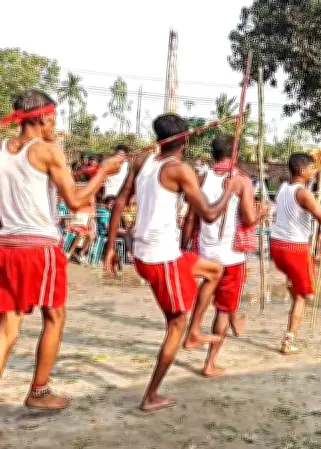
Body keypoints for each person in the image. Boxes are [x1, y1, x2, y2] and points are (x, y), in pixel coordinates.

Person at [0, 89, 123, 410]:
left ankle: (37, 391)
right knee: (54, 316)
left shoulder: (2, 149)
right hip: (37, 247)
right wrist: (104, 172)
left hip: (6, 245)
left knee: (7, 328)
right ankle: (39, 391)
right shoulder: (48, 150)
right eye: (54, 118)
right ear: (42, 117)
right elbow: (77, 200)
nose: (55, 125)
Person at [104, 114, 235, 412]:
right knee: (175, 324)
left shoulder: (142, 162)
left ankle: (196, 331)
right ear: (185, 139)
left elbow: (121, 200)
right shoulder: (180, 170)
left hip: (148, 254)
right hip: (161, 259)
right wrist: (229, 190)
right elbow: (210, 214)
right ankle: (151, 394)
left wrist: (111, 248)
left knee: (214, 270)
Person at [181, 135, 269, 377]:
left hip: (206, 251)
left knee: (215, 298)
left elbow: (190, 217)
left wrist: (184, 247)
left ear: (213, 154)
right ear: (236, 154)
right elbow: (249, 219)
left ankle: (230, 323)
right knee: (223, 306)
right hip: (230, 255)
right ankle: (210, 362)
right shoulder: (240, 181)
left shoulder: (201, 178)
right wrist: (262, 213)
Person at [269, 153, 321, 354]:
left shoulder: (284, 188)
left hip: (277, 245)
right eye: (312, 168)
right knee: (303, 296)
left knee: (297, 289)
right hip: (295, 248)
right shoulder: (302, 193)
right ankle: (288, 339)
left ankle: (293, 288)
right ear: (302, 170)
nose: (314, 171)